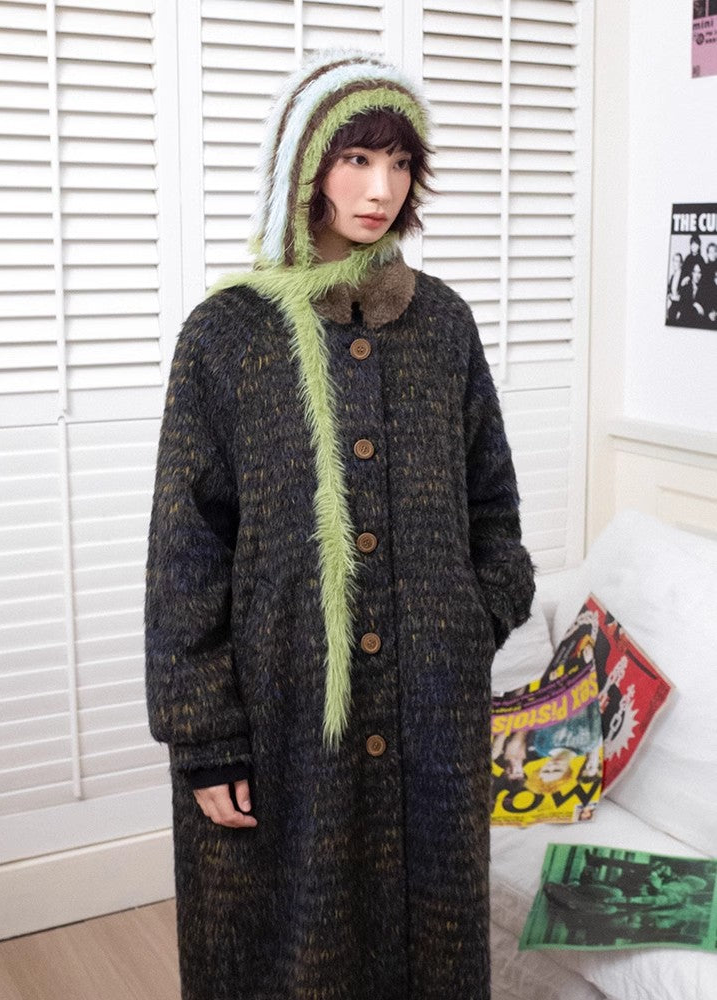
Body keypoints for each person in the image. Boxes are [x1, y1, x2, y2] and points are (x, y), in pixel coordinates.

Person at [144, 47, 535, 1000]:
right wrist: (204, 738)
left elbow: (493, 503)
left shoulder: (443, 324)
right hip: (281, 715)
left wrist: (473, 617)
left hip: (431, 710)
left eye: (399, 163)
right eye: (356, 159)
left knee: (429, 940)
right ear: (304, 168)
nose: (380, 189)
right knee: (284, 949)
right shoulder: (228, 334)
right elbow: (185, 552)